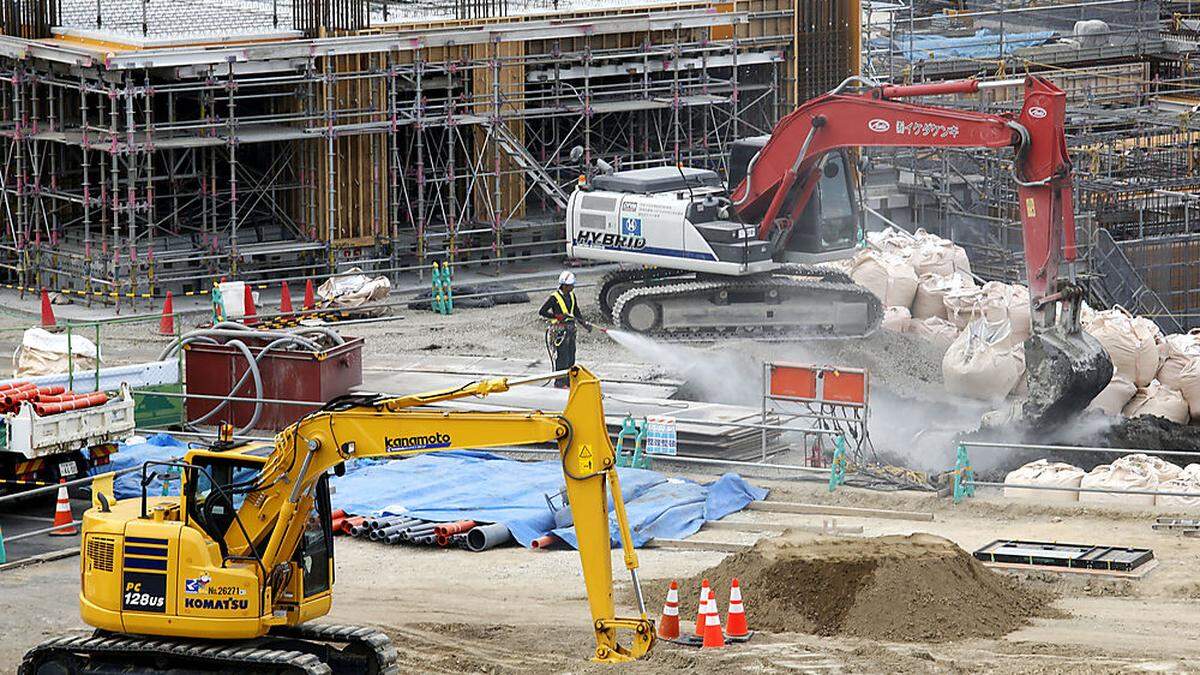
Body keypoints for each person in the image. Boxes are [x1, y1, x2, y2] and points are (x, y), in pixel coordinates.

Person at [540, 271, 593, 387]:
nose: (573, 287)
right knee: (562, 356)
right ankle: (559, 381)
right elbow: (542, 311)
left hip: (570, 330)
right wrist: (556, 316)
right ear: (564, 285)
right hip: (560, 331)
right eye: (571, 285)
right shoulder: (554, 298)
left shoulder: (572, 295)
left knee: (571, 355)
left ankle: (568, 379)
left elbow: (576, 311)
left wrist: (584, 324)